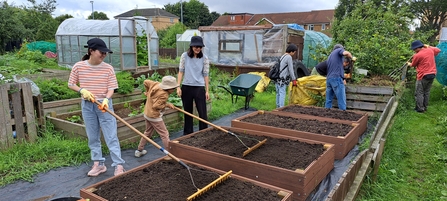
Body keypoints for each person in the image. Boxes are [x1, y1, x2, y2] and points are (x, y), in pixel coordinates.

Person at [68, 38, 125, 177]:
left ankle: (118, 165)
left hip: (104, 105)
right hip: (88, 105)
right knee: (92, 136)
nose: (104, 55)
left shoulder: (108, 68)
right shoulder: (79, 66)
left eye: (106, 53)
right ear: (91, 51)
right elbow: (71, 84)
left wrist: (106, 99)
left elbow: (112, 88)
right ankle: (98, 164)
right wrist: (82, 91)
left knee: (111, 136)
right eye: (102, 52)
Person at [135, 76, 178, 157]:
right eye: (173, 88)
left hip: (147, 113)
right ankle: (170, 154)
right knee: (164, 134)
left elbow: (146, 82)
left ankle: (139, 150)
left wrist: (147, 92)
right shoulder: (164, 95)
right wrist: (167, 104)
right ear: (168, 88)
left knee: (147, 133)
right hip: (154, 116)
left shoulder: (156, 84)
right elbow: (156, 106)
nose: (174, 90)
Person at [177, 36, 210, 135]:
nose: (197, 48)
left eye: (200, 47)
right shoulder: (184, 56)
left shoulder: (204, 58)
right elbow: (181, 71)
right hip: (186, 87)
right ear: (191, 46)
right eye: (196, 46)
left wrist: (207, 90)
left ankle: (203, 133)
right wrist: (178, 86)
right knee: (188, 113)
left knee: (202, 113)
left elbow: (206, 74)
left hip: (199, 88)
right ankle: (188, 134)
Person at [407, 40, 441, 113]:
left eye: (414, 49)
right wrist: (428, 46)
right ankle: (425, 107)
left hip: (423, 75)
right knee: (427, 92)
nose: (414, 50)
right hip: (432, 74)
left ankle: (420, 109)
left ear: (417, 48)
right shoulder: (430, 50)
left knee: (419, 92)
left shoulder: (417, 55)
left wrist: (408, 63)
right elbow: (438, 50)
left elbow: (413, 65)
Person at [325, 44, 352, 111]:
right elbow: (346, 53)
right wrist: (351, 57)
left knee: (328, 99)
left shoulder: (330, 56)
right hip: (336, 79)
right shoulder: (338, 50)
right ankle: (343, 114)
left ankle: (326, 113)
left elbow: (337, 67)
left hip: (329, 79)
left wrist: (343, 78)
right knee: (341, 98)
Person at [275, 43, 298, 108]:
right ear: (291, 51)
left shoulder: (283, 56)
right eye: (294, 52)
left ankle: (277, 107)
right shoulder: (289, 57)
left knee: (278, 93)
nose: (294, 54)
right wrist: (294, 79)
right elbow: (291, 70)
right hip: (283, 79)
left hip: (277, 78)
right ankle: (281, 107)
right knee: (282, 93)